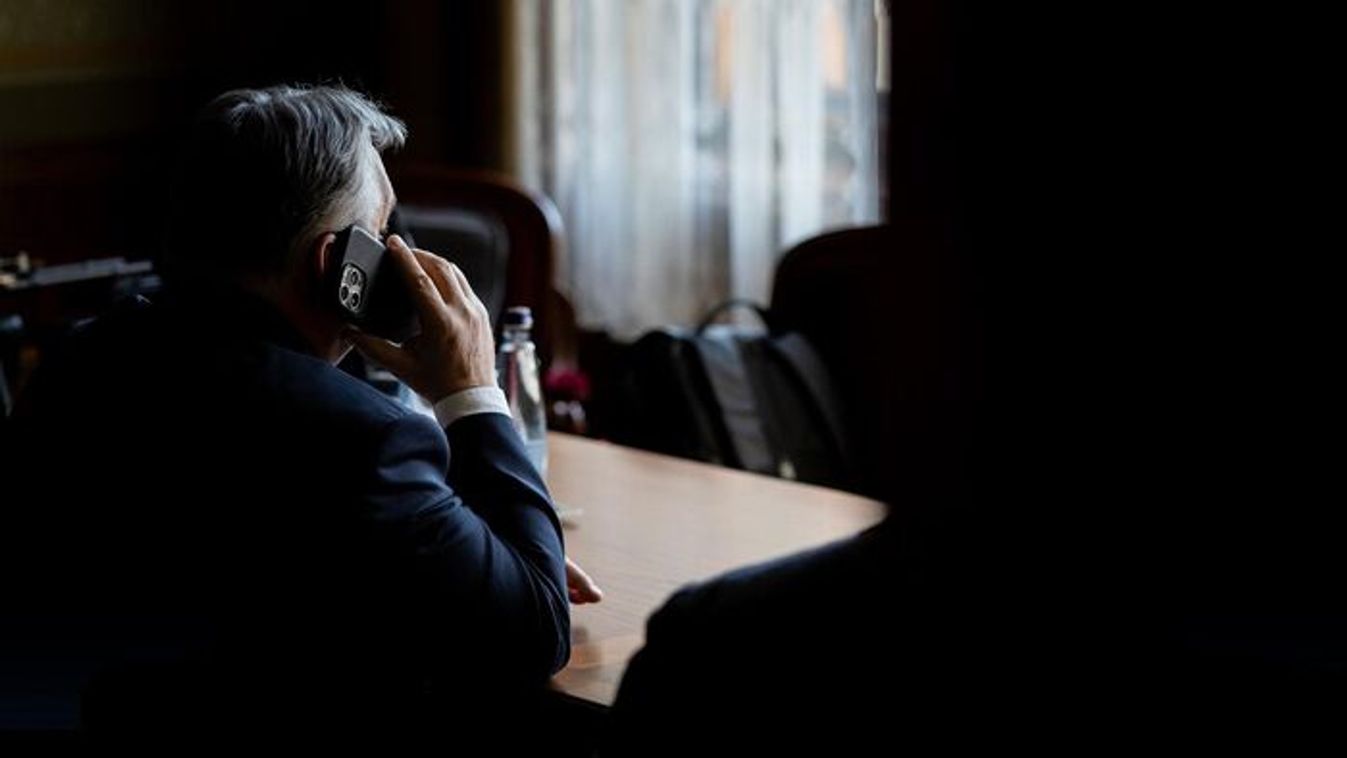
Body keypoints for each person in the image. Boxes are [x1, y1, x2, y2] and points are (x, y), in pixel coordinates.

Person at [0, 85, 599, 740]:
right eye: (381, 234)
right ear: (339, 267)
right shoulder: (363, 443)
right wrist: (472, 390)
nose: (396, 252)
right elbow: (535, 631)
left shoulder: (81, 360)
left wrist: (476, 546)